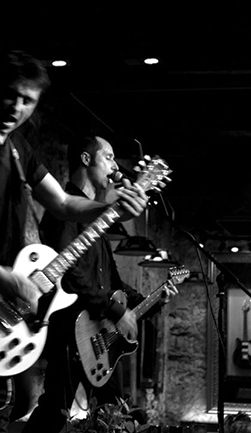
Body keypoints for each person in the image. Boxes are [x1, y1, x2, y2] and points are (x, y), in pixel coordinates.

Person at [0, 51, 150, 433]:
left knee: (6, 408)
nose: (16, 108)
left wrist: (110, 209)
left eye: (27, 100)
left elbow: (62, 203)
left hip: (3, 299)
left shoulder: (19, 148)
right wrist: (3, 277)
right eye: (10, 95)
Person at [21, 135, 179, 433]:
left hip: (99, 335)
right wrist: (116, 311)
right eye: (108, 157)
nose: (114, 166)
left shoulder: (99, 218)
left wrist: (152, 300)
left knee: (117, 413)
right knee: (55, 411)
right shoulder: (65, 214)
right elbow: (69, 274)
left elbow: (111, 281)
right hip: (71, 331)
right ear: (85, 159)